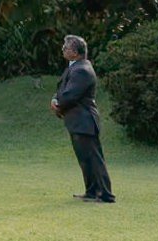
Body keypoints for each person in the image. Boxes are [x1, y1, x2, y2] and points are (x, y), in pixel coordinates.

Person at [53, 35, 114, 203]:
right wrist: (55, 99)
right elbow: (62, 88)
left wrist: (58, 104)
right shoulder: (74, 67)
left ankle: (104, 194)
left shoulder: (81, 69)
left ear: (75, 52)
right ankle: (92, 191)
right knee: (85, 159)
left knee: (93, 158)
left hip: (84, 119)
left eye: (66, 47)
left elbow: (70, 95)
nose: (63, 49)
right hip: (78, 120)